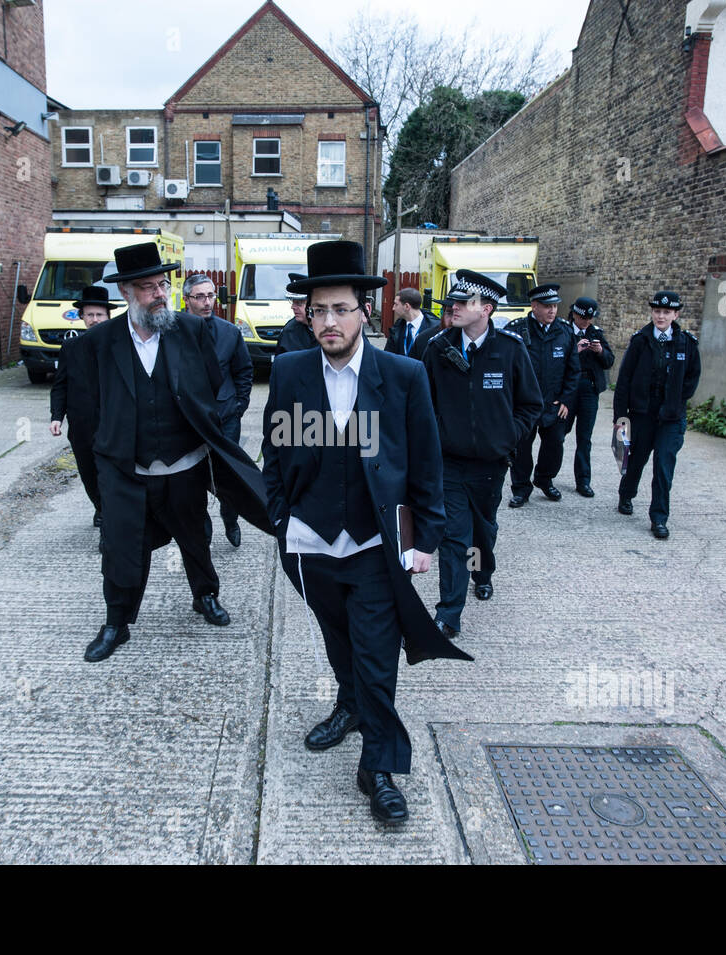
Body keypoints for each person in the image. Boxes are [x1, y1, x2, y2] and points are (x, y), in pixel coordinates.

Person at [262, 240, 471, 825]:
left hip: (378, 545)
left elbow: (426, 463)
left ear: (363, 313)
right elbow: (275, 453)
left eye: (341, 309)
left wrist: (425, 540)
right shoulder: (289, 370)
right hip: (310, 544)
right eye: (318, 310)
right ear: (307, 314)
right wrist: (280, 519)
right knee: (340, 641)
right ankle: (348, 703)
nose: (329, 322)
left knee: (378, 655)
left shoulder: (403, 377)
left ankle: (378, 765)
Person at [83, 242, 273, 663]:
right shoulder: (97, 343)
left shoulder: (191, 330)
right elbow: (86, 420)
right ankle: (117, 621)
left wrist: (211, 421)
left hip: (184, 466)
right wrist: (99, 485)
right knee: (122, 546)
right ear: (126, 293)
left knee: (195, 538)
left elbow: (211, 383)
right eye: (147, 287)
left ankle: (205, 596)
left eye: (162, 285)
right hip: (128, 472)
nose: (159, 294)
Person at [421, 270, 541, 639]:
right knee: (454, 536)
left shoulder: (510, 348)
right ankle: (449, 613)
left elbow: (530, 404)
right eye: (452, 301)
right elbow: (422, 403)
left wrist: (507, 436)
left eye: (463, 302)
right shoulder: (437, 348)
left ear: (485, 309)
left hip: (491, 465)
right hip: (450, 463)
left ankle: (483, 571)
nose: (452, 307)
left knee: (482, 530)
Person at [613, 290, 702, 540]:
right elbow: (624, 380)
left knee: (663, 466)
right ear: (652, 312)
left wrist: (676, 400)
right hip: (643, 414)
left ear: (675, 314)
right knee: (637, 460)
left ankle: (659, 518)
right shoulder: (640, 341)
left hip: (671, 417)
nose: (661, 316)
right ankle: (626, 494)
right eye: (657, 311)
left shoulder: (686, 343)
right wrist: (620, 417)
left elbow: (692, 378)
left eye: (666, 312)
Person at [184, 273, 253, 548]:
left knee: (228, 474)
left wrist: (239, 406)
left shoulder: (230, 332)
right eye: (199, 296)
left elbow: (244, 371)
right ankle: (202, 527)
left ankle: (231, 518)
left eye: (211, 295)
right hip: (189, 419)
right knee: (193, 476)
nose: (207, 302)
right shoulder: (173, 331)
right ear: (187, 299)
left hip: (226, 417)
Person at [505, 283, 580, 506]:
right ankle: (520, 488)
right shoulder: (516, 330)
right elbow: (506, 368)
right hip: (524, 405)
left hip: (554, 403)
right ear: (534, 306)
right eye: (547, 306)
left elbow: (574, 370)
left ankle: (544, 479)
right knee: (521, 448)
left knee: (555, 444)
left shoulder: (565, 331)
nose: (552, 311)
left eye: (555, 306)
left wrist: (566, 399)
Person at [49, 285, 116, 527]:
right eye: (90, 315)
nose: (95, 319)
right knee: (89, 475)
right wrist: (56, 416)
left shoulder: (119, 346)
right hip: (82, 426)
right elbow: (60, 385)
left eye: (99, 315)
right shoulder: (71, 347)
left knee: (110, 475)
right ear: (82, 317)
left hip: (112, 424)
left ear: (108, 317)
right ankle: (100, 507)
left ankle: (109, 523)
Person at [566, 297, 615, 497]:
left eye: (589, 318)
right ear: (574, 315)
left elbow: (609, 362)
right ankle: (547, 476)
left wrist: (600, 351)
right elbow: (556, 360)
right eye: (582, 318)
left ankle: (583, 481)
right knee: (556, 434)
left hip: (589, 388)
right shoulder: (564, 332)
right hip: (568, 389)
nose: (586, 322)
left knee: (584, 438)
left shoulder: (596, 334)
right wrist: (575, 351)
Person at [384, 287, 435, 357]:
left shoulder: (433, 329)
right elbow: (387, 357)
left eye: (396, 304)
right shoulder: (396, 328)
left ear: (407, 306)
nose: (393, 308)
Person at [274, 274, 317, 356]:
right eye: (293, 302)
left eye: (299, 303)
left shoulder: (327, 327)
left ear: (313, 304)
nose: (293, 307)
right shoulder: (290, 331)